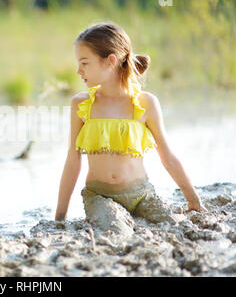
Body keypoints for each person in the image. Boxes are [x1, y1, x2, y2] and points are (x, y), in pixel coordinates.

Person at [55, 22, 204, 223]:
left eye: (84, 63)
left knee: (172, 223)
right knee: (115, 228)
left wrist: (194, 200)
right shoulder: (80, 104)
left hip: (142, 194)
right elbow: (73, 162)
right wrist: (60, 217)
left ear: (110, 61)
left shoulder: (146, 103)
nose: (78, 71)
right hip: (100, 197)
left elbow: (168, 157)